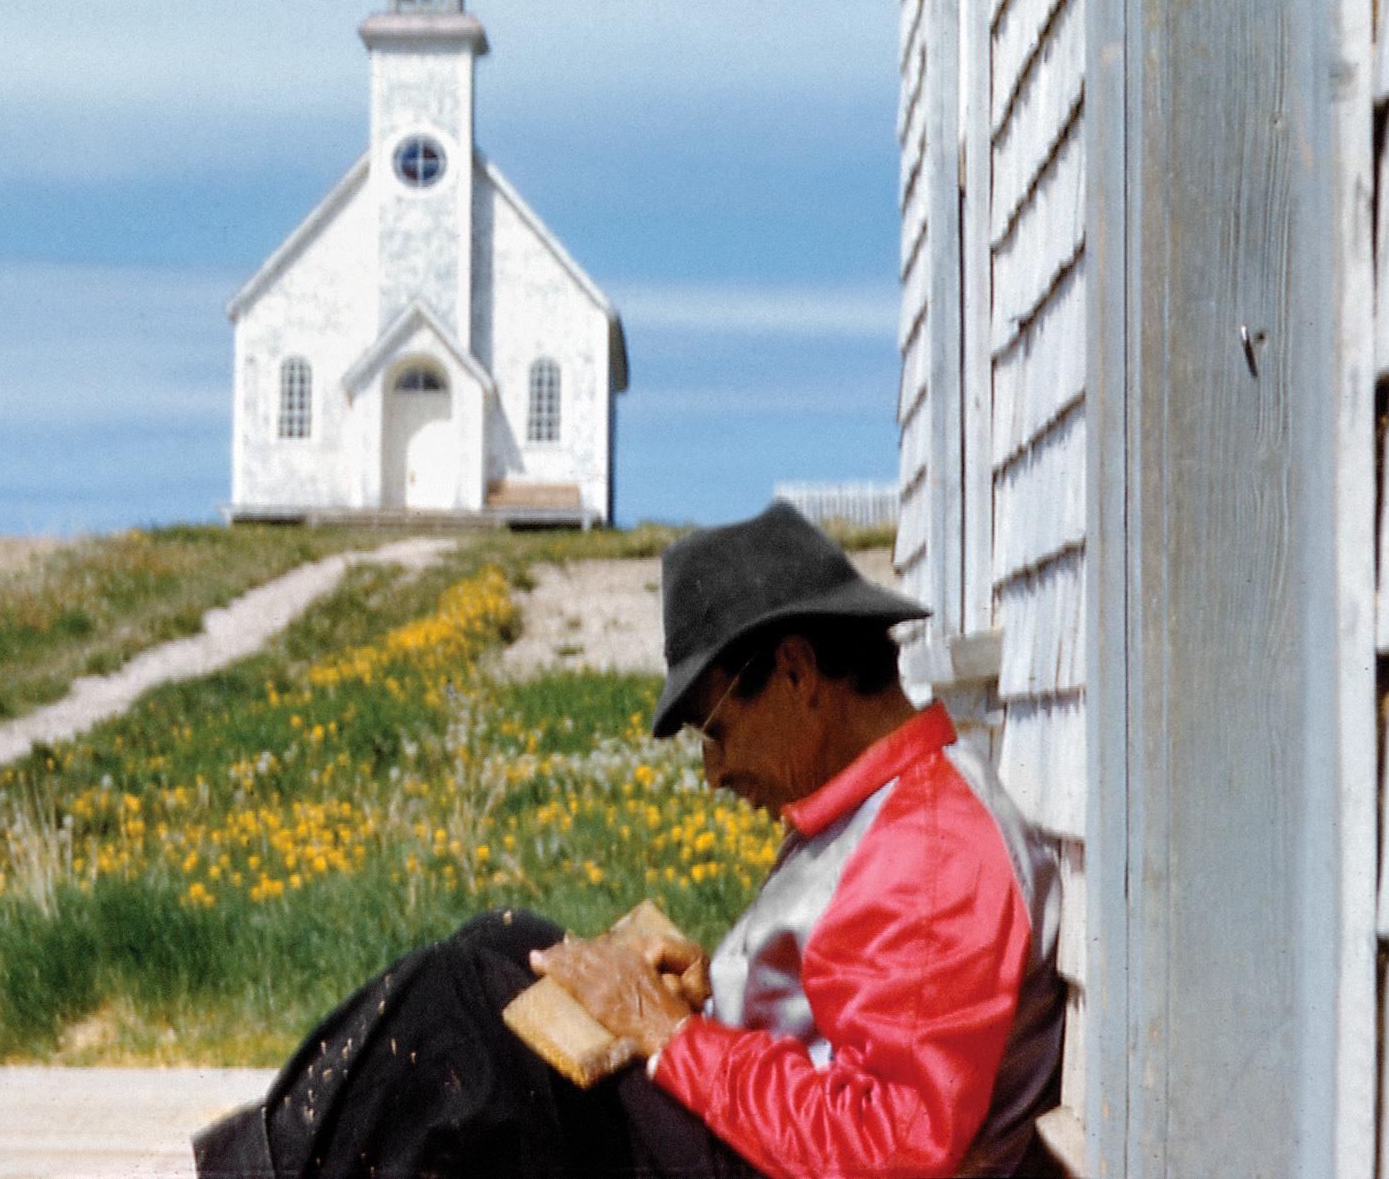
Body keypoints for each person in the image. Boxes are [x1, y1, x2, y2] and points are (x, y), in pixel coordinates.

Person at [195, 502, 1065, 1178]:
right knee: (506, 943)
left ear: (797, 672)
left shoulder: (935, 854)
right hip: (763, 1151)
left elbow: (893, 1152)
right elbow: (851, 1027)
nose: (713, 771)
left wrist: (672, 1035)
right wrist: (717, 999)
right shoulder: (887, 808)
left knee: (458, 1003)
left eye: (713, 728)